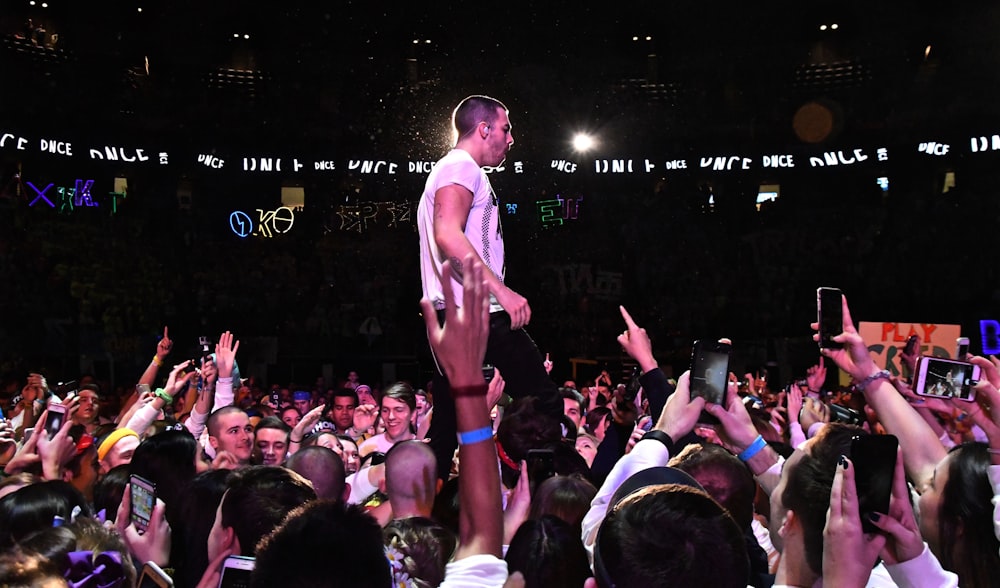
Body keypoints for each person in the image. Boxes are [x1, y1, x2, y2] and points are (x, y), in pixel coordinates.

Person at [417, 94, 560, 481]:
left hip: (453, 314)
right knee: (545, 403)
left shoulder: (453, 170)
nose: (511, 139)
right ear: (484, 129)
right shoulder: (461, 168)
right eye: (506, 128)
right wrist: (502, 291)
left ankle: (427, 512)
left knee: (447, 425)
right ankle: (540, 494)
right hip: (475, 310)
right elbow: (448, 235)